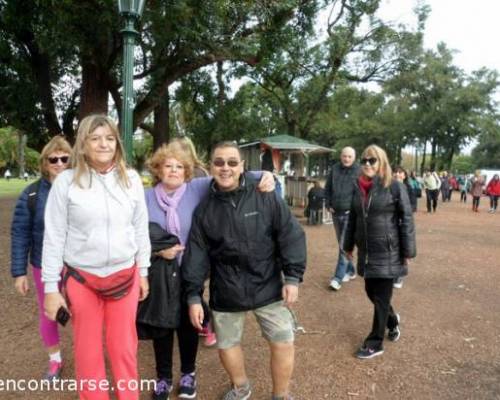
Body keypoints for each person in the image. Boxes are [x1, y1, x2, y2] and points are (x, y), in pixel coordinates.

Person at [140, 143, 275, 400]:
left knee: (188, 323)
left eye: (180, 166)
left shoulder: (195, 189)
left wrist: (268, 176)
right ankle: (164, 378)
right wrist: (157, 252)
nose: (174, 170)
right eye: (168, 166)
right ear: (158, 169)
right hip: (159, 272)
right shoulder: (145, 197)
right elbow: (134, 233)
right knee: (162, 327)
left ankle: (188, 373)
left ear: (188, 171)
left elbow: (238, 174)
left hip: (189, 271)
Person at [183, 141, 306, 400]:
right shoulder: (204, 210)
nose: (225, 168)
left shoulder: (265, 194)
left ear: (241, 166)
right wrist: (194, 295)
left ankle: (281, 395)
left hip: (268, 283)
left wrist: (292, 276)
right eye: (219, 162)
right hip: (227, 288)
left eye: (231, 162)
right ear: (210, 167)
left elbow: (289, 234)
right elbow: (196, 255)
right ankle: (241, 387)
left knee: (283, 340)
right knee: (227, 345)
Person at [42, 114, 151, 400]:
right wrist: (51, 289)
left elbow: (140, 229)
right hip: (82, 279)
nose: (103, 144)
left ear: (117, 143)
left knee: (124, 348)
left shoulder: (132, 180)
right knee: (88, 352)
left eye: (109, 138)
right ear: (83, 144)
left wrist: (144, 272)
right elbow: (53, 237)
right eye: (95, 138)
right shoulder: (66, 182)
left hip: (125, 277)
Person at [344, 145, 416, 359]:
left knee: (382, 298)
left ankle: (375, 342)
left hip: (388, 250)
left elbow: (407, 219)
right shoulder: (357, 187)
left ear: (381, 162)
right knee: (371, 292)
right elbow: (353, 219)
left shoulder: (394, 187)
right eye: (364, 160)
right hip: (367, 252)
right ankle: (392, 321)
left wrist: (407, 251)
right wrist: (348, 245)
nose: (367, 164)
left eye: (372, 160)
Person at [10, 136, 72, 380]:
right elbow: (20, 233)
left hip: (79, 265)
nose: (58, 163)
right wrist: (19, 272)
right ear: (45, 163)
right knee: (50, 313)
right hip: (43, 264)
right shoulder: (32, 195)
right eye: (53, 159)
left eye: (64, 158)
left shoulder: (83, 189)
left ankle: (90, 356)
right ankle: (55, 360)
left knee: (84, 313)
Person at [324, 147, 360, 291]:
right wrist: (327, 203)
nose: (346, 159)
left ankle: (337, 278)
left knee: (344, 245)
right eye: (344, 156)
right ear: (341, 156)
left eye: (349, 157)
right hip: (335, 212)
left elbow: (361, 193)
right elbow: (327, 188)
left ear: (354, 157)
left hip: (349, 214)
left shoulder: (359, 171)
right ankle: (350, 270)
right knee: (342, 243)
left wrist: (354, 209)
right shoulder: (334, 169)